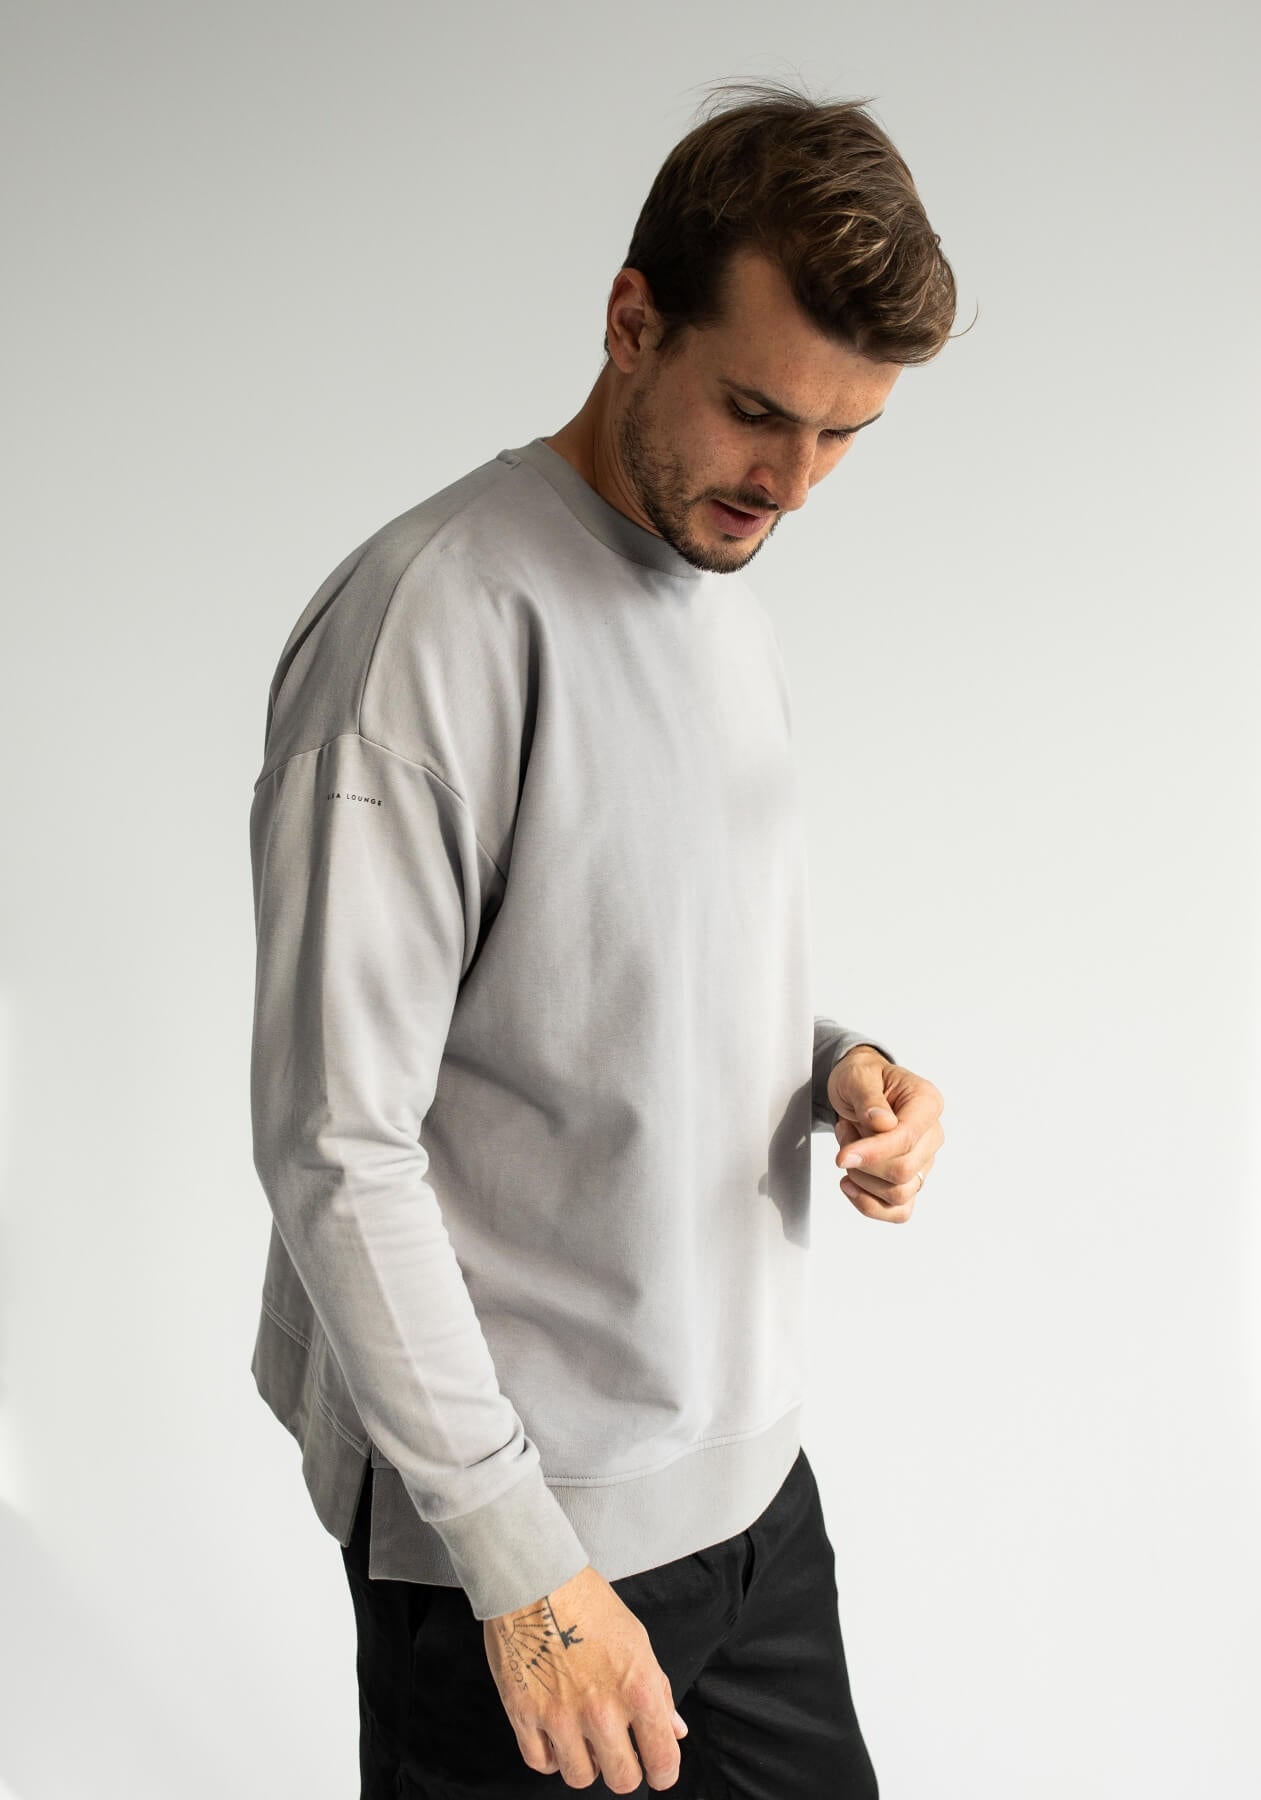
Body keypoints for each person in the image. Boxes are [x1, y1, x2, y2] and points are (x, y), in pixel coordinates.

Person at [248, 79, 952, 1798]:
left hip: (746, 1500)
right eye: (756, 412)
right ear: (632, 322)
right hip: (526, 1553)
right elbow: (336, 1142)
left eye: (844, 435)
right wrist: (522, 1569)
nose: (791, 484)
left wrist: (838, 1066)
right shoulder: (430, 628)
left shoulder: (715, 587)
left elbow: (625, 961)